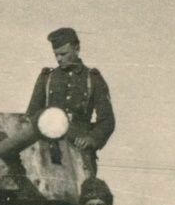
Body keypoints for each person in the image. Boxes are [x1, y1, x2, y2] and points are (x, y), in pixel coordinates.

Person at [25, 27, 116, 176]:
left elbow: (107, 120)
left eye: (64, 54)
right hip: (49, 152)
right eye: (56, 55)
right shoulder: (47, 78)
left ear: (77, 48)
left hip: (80, 153)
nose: (59, 59)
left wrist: (92, 139)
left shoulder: (93, 79)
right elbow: (31, 114)